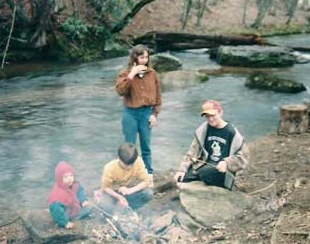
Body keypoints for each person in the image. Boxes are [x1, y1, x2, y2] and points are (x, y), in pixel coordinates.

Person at [173, 100, 248, 190]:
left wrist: (227, 163)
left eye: (213, 115)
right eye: (207, 116)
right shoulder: (203, 130)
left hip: (222, 172)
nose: (210, 119)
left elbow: (243, 158)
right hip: (204, 167)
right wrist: (182, 169)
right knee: (181, 178)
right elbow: (192, 152)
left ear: (220, 112)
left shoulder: (232, 133)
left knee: (205, 173)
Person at [115, 44, 162, 186]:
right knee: (128, 147)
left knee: (146, 146)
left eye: (147, 57)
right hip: (130, 113)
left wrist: (155, 114)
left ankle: (148, 174)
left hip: (147, 114)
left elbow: (158, 97)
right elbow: (120, 91)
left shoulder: (152, 74)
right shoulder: (125, 73)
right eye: (142, 57)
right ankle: (127, 176)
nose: (145, 60)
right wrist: (132, 74)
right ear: (134, 58)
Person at [98, 143, 153, 214]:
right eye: (125, 165)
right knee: (105, 206)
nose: (129, 167)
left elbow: (147, 181)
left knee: (148, 193)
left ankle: (129, 209)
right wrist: (119, 197)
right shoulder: (109, 168)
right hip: (113, 192)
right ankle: (117, 210)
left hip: (128, 190)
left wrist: (130, 190)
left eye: (131, 164)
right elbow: (106, 188)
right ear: (119, 158)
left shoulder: (138, 161)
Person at [48, 161, 91, 228]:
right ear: (60, 178)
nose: (69, 178)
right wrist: (65, 223)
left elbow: (79, 191)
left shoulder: (73, 184)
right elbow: (57, 211)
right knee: (89, 209)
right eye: (66, 177)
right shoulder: (57, 196)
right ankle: (66, 221)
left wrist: (83, 200)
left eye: (71, 175)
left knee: (89, 206)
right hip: (67, 213)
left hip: (73, 207)